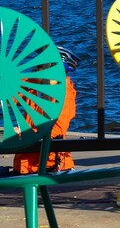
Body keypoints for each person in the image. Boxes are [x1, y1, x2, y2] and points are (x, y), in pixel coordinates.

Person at [12, 46, 80, 174]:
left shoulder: (65, 92)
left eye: (40, 65)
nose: (35, 68)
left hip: (52, 165)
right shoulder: (33, 83)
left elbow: (57, 128)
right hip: (24, 163)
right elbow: (9, 93)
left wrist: (24, 133)